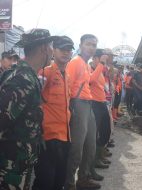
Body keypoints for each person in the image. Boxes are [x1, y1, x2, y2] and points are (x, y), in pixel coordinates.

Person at [0, 28, 54, 189]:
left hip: (19, 161)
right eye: (51, 46)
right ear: (44, 48)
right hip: (10, 166)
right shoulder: (23, 78)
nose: (52, 51)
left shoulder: (27, 75)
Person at [33, 36, 74, 190]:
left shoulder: (67, 77)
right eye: (62, 49)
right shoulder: (46, 72)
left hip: (64, 136)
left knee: (59, 179)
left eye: (69, 49)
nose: (66, 52)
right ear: (53, 51)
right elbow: (34, 99)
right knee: (45, 180)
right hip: (48, 137)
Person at [64, 34, 101, 190]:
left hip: (88, 103)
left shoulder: (85, 64)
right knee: (77, 147)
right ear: (81, 45)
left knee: (91, 144)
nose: (91, 47)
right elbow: (67, 87)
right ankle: (69, 184)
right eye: (88, 44)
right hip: (78, 104)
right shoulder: (75, 62)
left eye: (94, 45)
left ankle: (83, 178)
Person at [90, 49, 111, 176]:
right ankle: (92, 164)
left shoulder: (101, 70)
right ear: (95, 58)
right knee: (94, 135)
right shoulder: (89, 69)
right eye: (101, 58)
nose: (103, 61)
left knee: (106, 131)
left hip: (102, 103)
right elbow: (91, 81)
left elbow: (102, 86)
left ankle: (99, 156)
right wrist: (101, 64)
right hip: (93, 104)